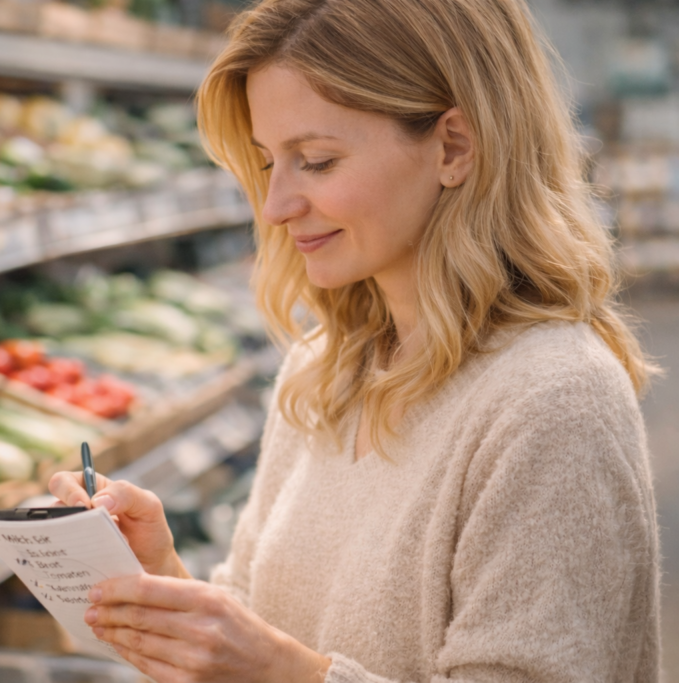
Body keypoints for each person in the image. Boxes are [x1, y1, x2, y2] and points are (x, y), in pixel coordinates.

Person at [49, 0, 662, 679]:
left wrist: (285, 673)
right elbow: (271, 626)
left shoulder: (552, 402)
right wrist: (163, 581)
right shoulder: (325, 371)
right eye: (267, 163)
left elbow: (285, 663)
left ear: (454, 147)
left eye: (314, 160)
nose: (277, 206)